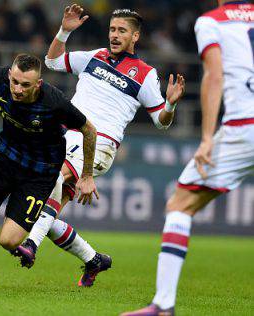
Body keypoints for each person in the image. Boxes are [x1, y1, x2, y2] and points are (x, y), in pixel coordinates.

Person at [13, 5, 186, 287]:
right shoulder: (95, 57)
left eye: (122, 31)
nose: (115, 36)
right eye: (112, 29)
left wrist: (169, 103)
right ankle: (94, 260)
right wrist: (65, 31)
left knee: (52, 179)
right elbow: (53, 60)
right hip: (66, 137)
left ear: (135, 36)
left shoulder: (145, 75)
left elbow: (161, 122)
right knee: (45, 213)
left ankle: (31, 246)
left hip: (100, 144)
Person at [121, 1, 254, 315]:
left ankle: (163, 305)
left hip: (243, 128)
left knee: (180, 204)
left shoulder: (211, 22)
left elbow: (214, 76)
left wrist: (207, 138)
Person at [0, 53, 99, 290]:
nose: (18, 89)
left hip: (38, 175)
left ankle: (87, 256)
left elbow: (90, 130)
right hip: (4, 160)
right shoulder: (0, 77)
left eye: (25, 85)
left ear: (38, 84)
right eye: (15, 82)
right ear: (10, 75)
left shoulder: (55, 102)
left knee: (8, 241)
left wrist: (86, 176)